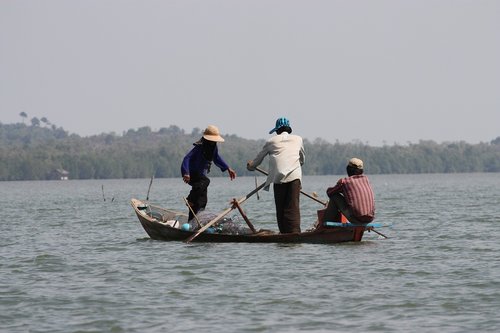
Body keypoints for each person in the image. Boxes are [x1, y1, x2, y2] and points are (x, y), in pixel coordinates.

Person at [246, 117, 305, 233]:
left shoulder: (271, 141)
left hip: (278, 178)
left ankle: (284, 233)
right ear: (288, 129)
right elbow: (302, 159)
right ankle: (294, 232)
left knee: (281, 208)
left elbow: (257, 160)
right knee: (293, 207)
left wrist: (250, 166)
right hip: (295, 177)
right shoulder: (298, 139)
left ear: (277, 131)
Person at [181, 125, 236, 220]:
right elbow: (187, 158)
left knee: (202, 200)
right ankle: (190, 199)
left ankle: (193, 221)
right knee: (206, 182)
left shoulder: (213, 147)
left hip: (201, 177)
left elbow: (217, 158)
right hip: (191, 174)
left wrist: (228, 168)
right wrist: (186, 172)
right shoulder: (199, 147)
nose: (213, 142)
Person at [322, 157, 375, 225]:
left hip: (356, 219)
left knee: (335, 196)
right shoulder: (366, 180)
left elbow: (329, 192)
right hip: (370, 219)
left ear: (348, 170)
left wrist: (338, 184)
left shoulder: (345, 182)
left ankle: (325, 225)